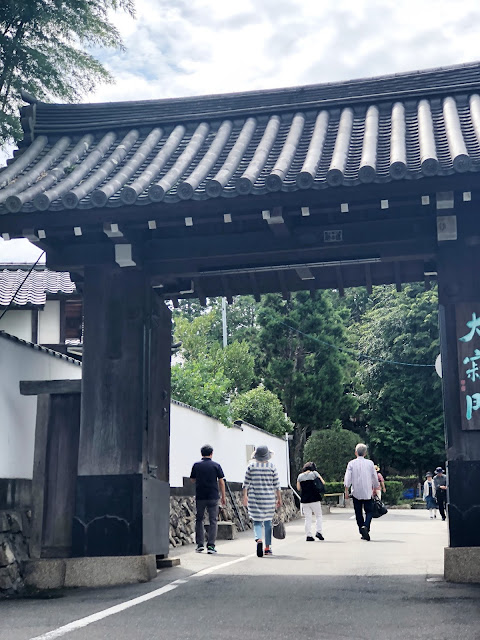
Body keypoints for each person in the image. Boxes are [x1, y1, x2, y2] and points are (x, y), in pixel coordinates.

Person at [242, 445, 282, 557]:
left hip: (254, 498)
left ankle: (258, 539)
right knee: (268, 522)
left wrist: (245, 496)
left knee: (257, 522)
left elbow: (245, 484)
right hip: (269, 499)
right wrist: (279, 499)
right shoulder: (272, 466)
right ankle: (268, 548)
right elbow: (277, 485)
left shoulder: (251, 466)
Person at [190, 444, 226, 554]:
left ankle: (200, 545)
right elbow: (221, 481)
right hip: (213, 496)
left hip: (200, 496)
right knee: (213, 520)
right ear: (211, 453)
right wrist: (223, 496)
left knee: (199, 519)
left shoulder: (196, 465)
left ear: (201, 454)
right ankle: (211, 546)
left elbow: (192, 480)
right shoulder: (216, 465)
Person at [344, 443, 379, 541]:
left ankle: (361, 530)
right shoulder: (370, 463)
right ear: (365, 453)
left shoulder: (351, 463)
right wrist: (376, 487)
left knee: (358, 512)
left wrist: (346, 490)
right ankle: (366, 527)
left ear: (356, 453)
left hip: (356, 492)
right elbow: (374, 477)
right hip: (367, 491)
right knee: (369, 511)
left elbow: (347, 478)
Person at [297, 461, 325, 541]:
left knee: (308, 518)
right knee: (318, 516)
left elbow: (299, 488)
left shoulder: (300, 476)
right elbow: (323, 482)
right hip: (315, 498)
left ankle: (308, 535)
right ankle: (318, 532)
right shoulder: (314, 474)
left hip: (305, 500)